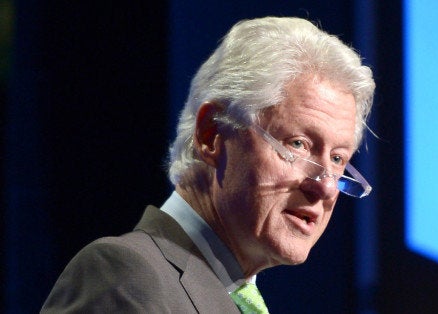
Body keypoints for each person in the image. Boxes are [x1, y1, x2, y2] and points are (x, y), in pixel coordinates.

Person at [41, 16, 375, 313]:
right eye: (298, 144)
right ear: (212, 133)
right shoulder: (126, 275)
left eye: (337, 158)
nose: (326, 186)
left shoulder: (232, 296)